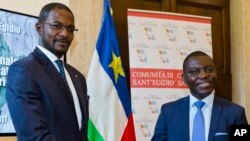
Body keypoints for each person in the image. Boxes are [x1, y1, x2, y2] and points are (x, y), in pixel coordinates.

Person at [6, 3, 88, 141]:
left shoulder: (78, 77)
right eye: (57, 26)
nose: (64, 33)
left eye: (70, 29)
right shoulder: (24, 71)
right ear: (39, 28)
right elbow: (33, 137)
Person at [152, 51, 248, 141]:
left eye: (209, 70)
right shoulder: (168, 112)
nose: (203, 75)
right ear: (184, 78)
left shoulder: (236, 113)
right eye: (195, 71)